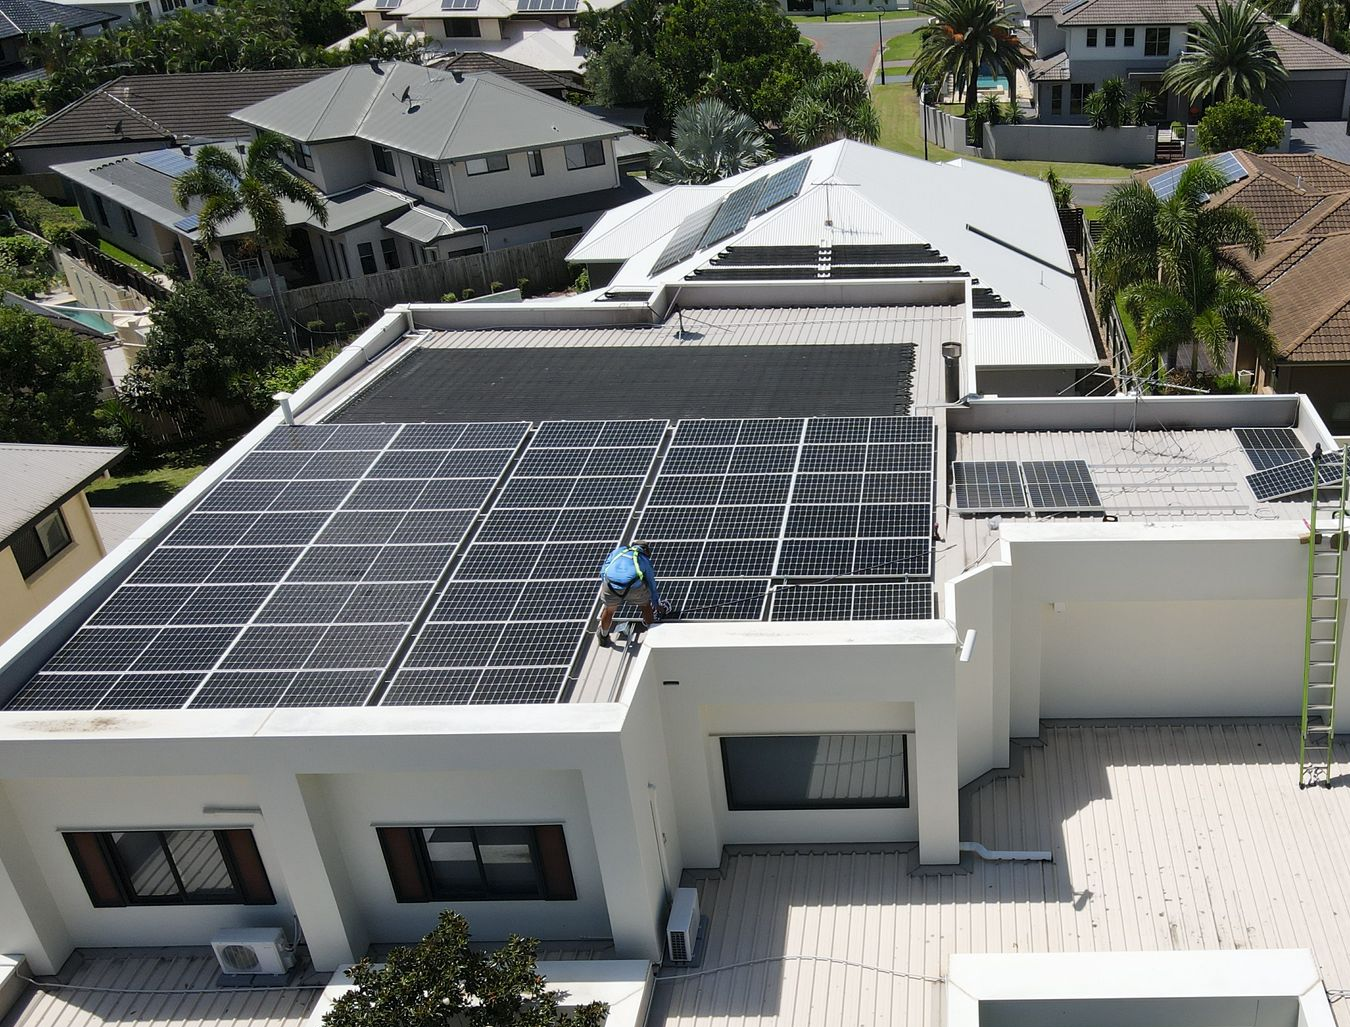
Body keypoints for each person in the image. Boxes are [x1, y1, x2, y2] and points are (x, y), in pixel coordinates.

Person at [597, 541, 670, 647]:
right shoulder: (643, 559)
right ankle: (652, 632)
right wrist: (656, 604)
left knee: (609, 610)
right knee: (645, 605)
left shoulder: (619, 551)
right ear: (645, 550)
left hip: (611, 586)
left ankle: (603, 636)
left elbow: (604, 570)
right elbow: (651, 582)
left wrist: (607, 584)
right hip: (634, 588)